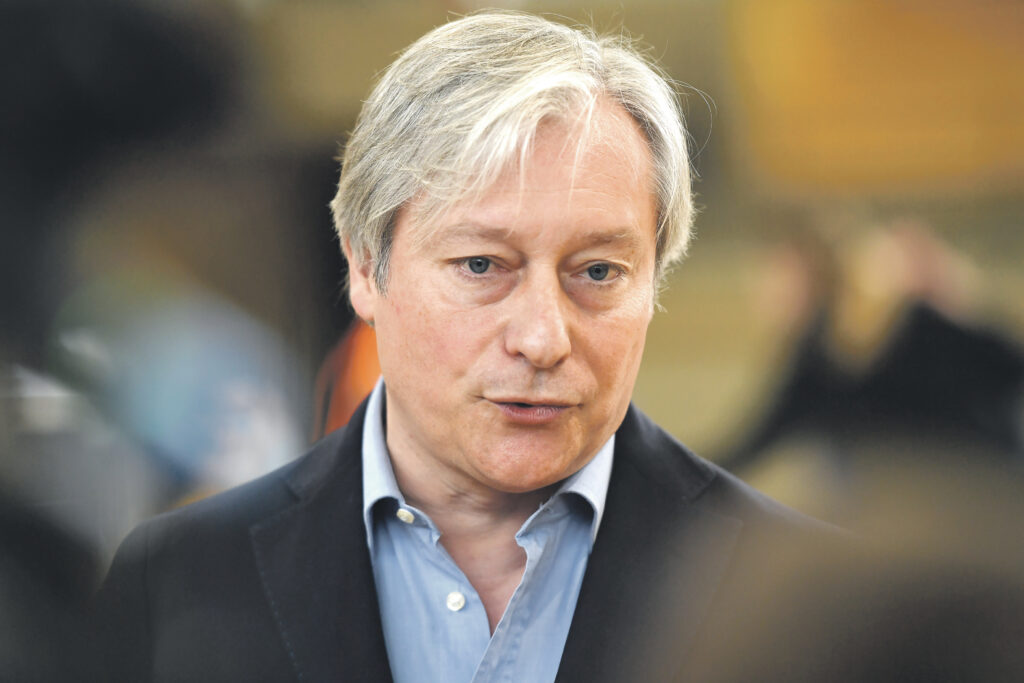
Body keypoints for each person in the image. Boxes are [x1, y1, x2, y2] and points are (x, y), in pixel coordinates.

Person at [94, 11, 833, 682]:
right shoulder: (178, 579)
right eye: (482, 265)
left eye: (598, 272)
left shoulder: (811, 603)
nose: (542, 338)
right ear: (365, 268)